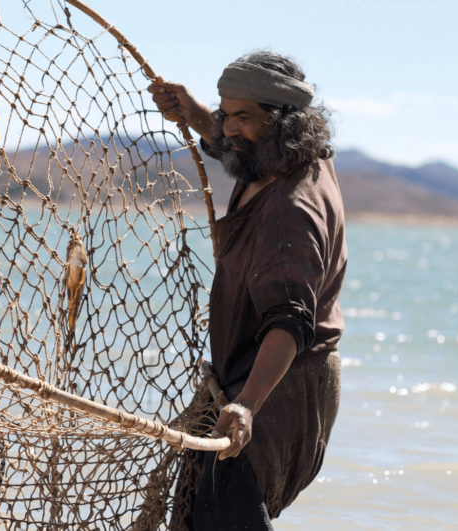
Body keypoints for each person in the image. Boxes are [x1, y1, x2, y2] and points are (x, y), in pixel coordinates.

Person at [148, 50, 346, 530]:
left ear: (284, 125)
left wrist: (246, 405)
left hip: (276, 387)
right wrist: (194, 113)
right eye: (224, 112)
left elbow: (289, 322)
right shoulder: (284, 159)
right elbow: (231, 146)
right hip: (253, 379)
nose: (228, 127)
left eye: (244, 117)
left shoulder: (290, 211)